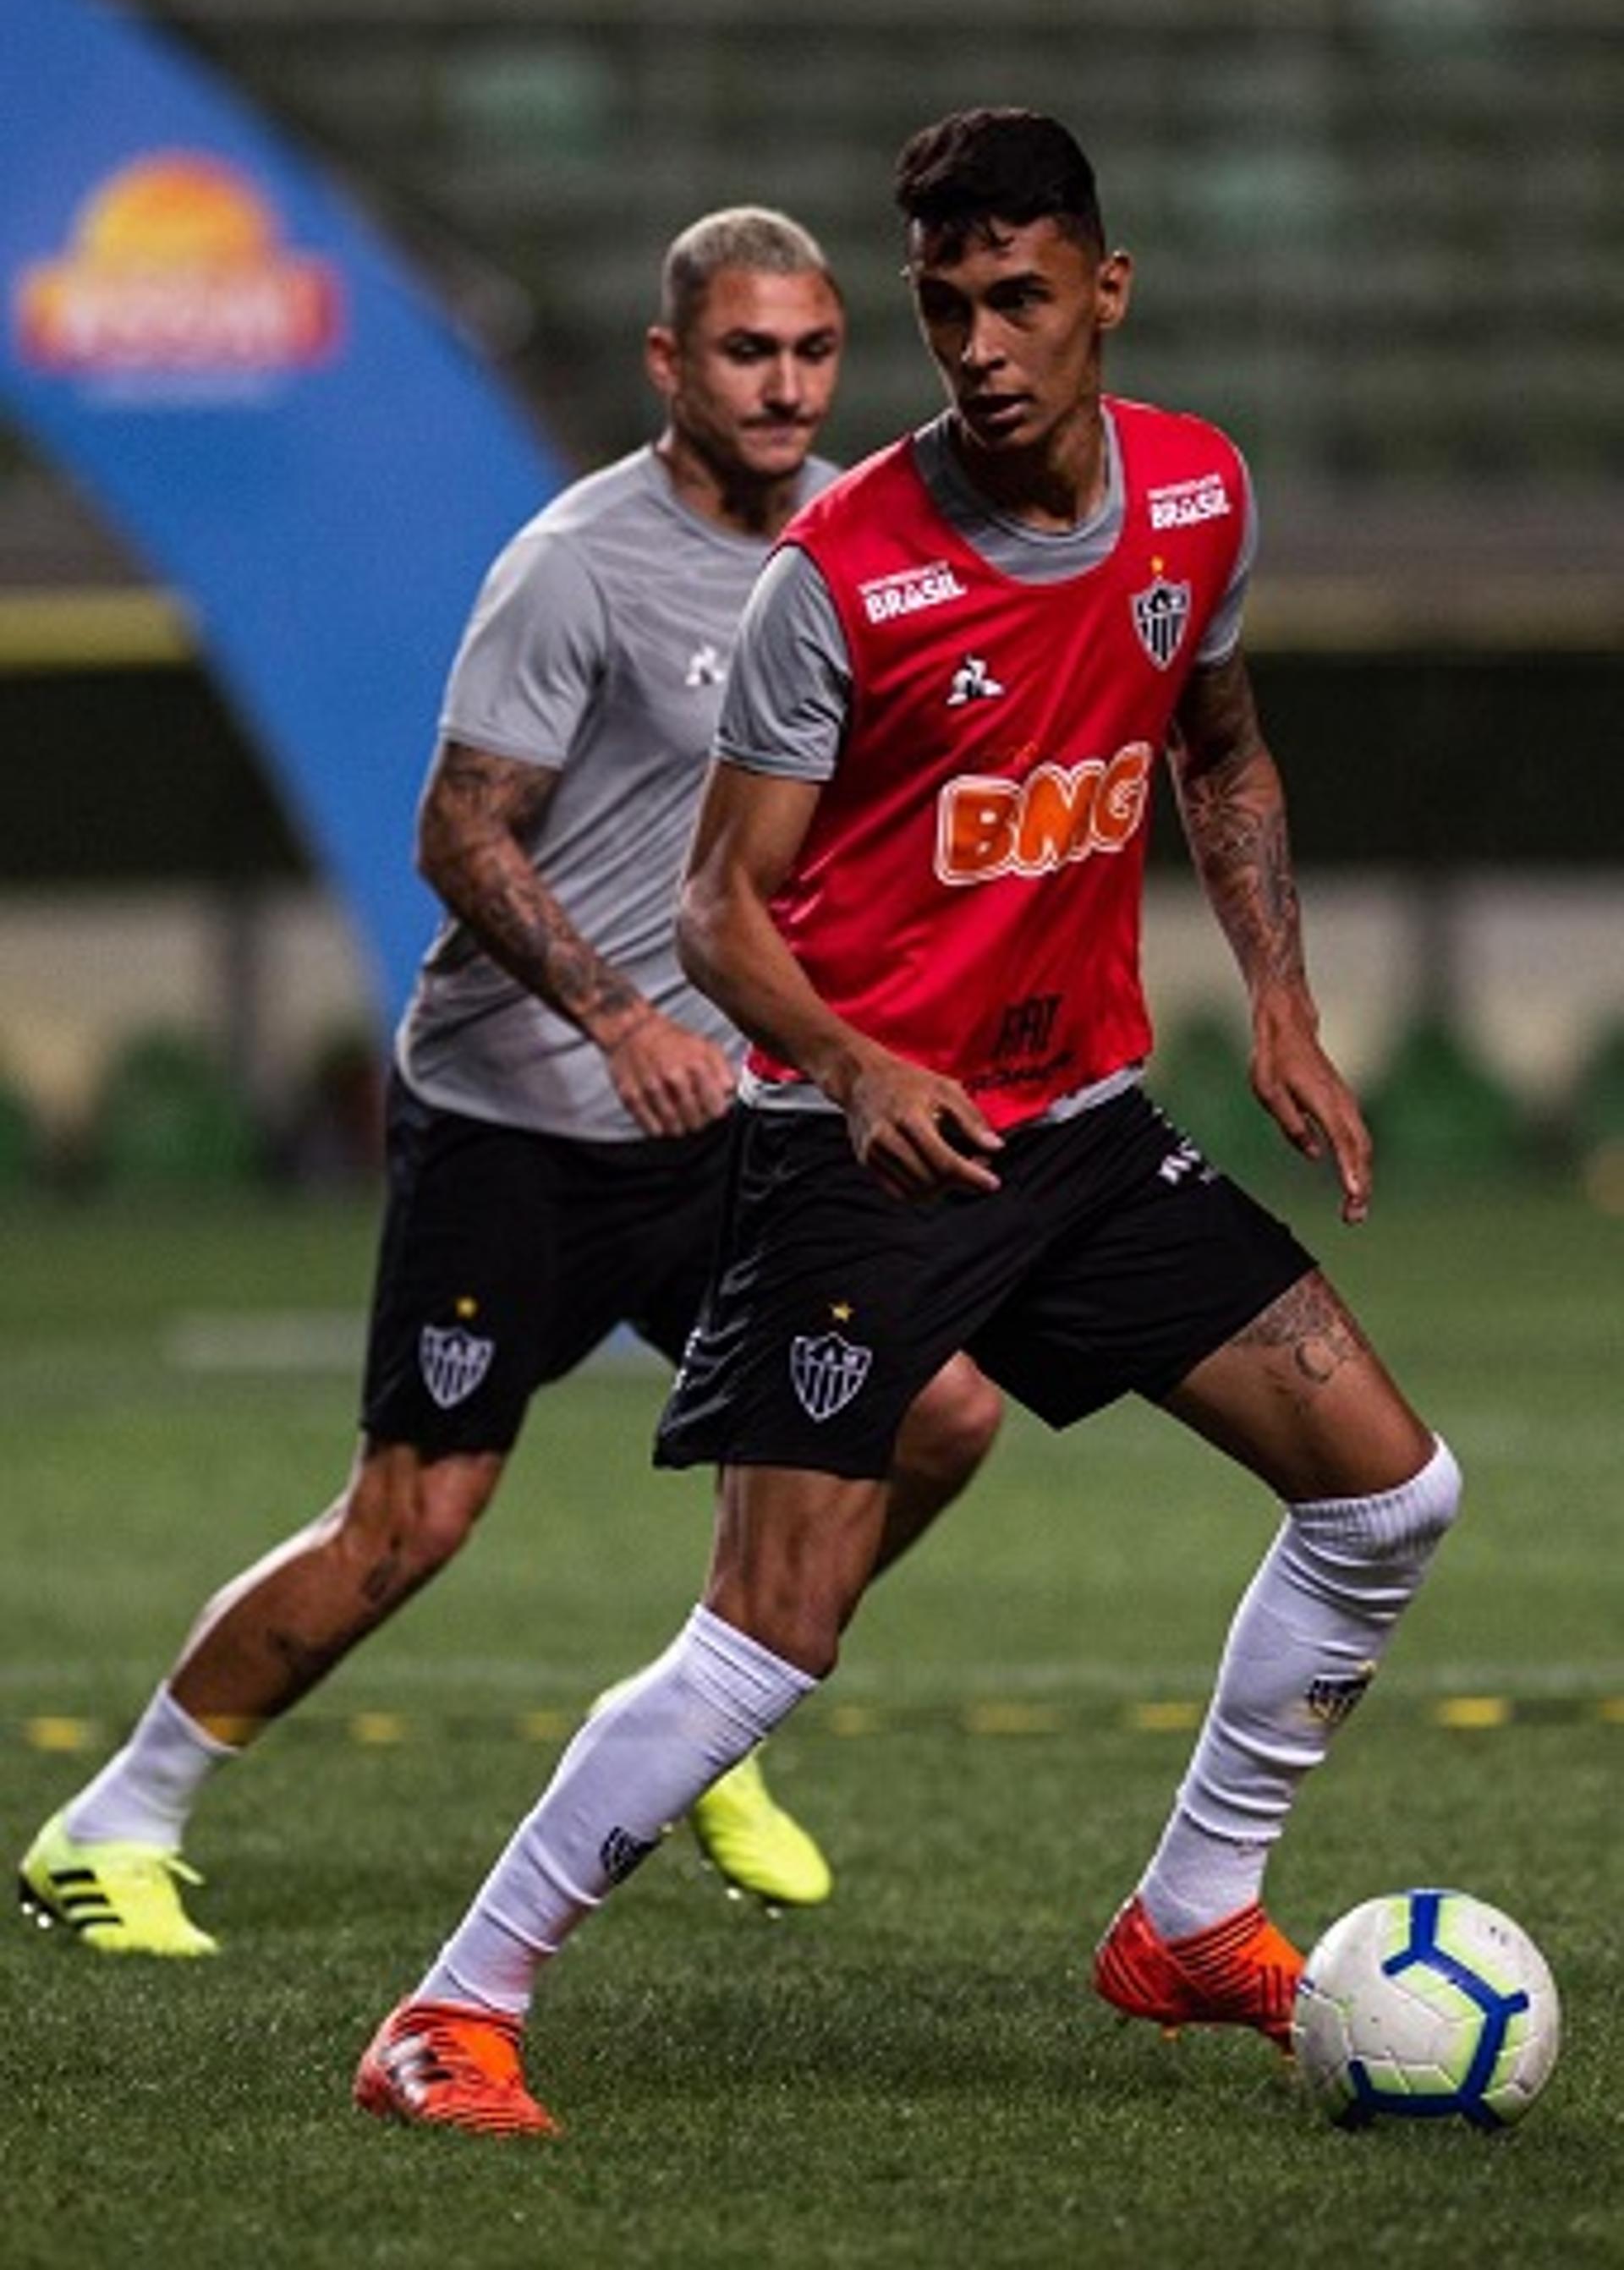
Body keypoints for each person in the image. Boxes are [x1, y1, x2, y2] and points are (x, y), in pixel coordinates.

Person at [352, 110, 1461, 2140]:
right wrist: (859, 1067)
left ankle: (1195, 1916)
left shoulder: (1199, 493)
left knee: (1391, 1496)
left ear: (1104, 292)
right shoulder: (840, 574)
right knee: (768, 1641)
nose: (979, 342)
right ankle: (453, 2007)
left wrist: (1281, 1006)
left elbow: (1219, 746)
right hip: (859, 1156)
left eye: (1018, 296)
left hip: (1092, 1130)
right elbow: (714, 909)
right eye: (943, 306)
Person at [18, 206, 1003, 1958]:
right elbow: (458, 834)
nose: (783, 388)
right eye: (743, 353)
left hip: (731, 1119)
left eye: (809, 352)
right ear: (667, 364)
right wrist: (623, 1018)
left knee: (936, 1413)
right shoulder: (576, 562)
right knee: (415, 1519)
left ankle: (717, 1706)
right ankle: (115, 1816)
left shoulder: (865, 535)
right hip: (524, 1120)